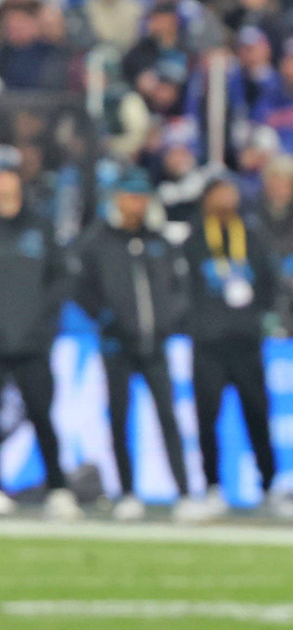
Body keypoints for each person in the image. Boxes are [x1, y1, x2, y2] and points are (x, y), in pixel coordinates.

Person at [70, 170, 193, 521]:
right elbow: (78, 285)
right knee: (120, 418)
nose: (136, 204)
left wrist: (168, 321)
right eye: (130, 196)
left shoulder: (158, 242)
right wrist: (106, 317)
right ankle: (126, 490)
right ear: (117, 199)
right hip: (116, 344)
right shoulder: (98, 241)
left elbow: (177, 288)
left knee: (167, 417)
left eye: (142, 197)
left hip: (155, 343)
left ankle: (184, 491)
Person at [180, 175, 283, 520]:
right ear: (206, 198)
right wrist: (196, 324)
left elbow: (269, 281)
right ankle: (211, 487)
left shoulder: (252, 236)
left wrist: (260, 320)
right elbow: (181, 287)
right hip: (208, 344)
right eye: (219, 192)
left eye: (231, 190)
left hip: (246, 343)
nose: (227, 198)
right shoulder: (194, 239)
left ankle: (269, 486)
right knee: (207, 417)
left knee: (258, 414)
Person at [0, 165, 79, 520]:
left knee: (42, 415)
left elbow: (60, 280)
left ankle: (59, 487)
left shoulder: (39, 226)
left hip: (32, 342)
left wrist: (43, 325)